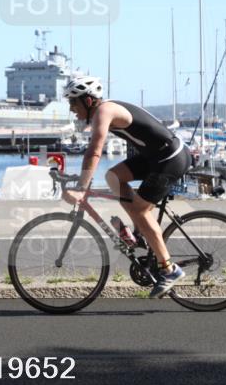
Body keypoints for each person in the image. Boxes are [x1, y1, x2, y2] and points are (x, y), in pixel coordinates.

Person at [60, 75, 192, 298]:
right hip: (155, 157)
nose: (72, 108)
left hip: (171, 157)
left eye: (74, 102)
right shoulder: (104, 110)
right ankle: (140, 234)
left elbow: (95, 150)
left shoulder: (103, 112)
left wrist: (82, 187)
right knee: (113, 176)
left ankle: (169, 269)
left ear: (89, 101)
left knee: (140, 210)